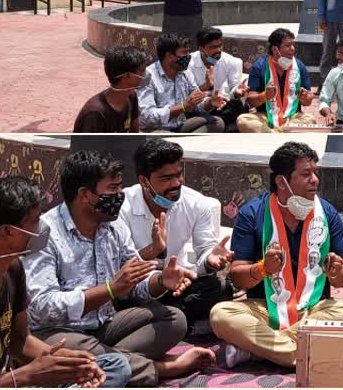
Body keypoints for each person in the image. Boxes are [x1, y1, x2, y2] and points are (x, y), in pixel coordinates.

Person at [22, 151, 216, 387]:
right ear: (85, 195)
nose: (120, 195)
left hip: (104, 326)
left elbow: (136, 284)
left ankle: (103, 362)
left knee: (174, 319)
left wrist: (160, 281)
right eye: (112, 189)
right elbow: (42, 307)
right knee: (74, 348)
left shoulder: (113, 227)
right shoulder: (46, 234)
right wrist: (109, 290)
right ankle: (162, 367)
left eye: (120, 187)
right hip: (58, 332)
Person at [0, 176, 132, 388]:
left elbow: (20, 341)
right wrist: (24, 377)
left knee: (116, 365)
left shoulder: (13, 270)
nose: (42, 227)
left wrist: (63, 361)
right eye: (35, 220)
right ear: (8, 232)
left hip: (11, 382)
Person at [210, 142, 343, 368]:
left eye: (315, 173)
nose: (315, 180)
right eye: (306, 174)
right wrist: (263, 269)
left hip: (313, 308)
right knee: (220, 314)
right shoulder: (252, 213)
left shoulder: (327, 213)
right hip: (265, 308)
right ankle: (302, 350)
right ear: (281, 181)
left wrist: (336, 271)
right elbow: (238, 278)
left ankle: (259, 351)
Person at [117, 139, 234, 333]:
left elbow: (205, 253)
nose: (176, 183)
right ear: (144, 181)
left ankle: (157, 322)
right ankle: (171, 323)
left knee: (220, 288)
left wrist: (211, 260)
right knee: (119, 294)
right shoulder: (122, 207)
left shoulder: (198, 204)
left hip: (176, 285)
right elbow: (120, 266)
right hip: (137, 285)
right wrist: (153, 250)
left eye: (179, 175)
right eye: (166, 179)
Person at [138, 33, 227, 132]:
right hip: (157, 129)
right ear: (169, 56)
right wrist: (184, 106)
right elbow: (147, 117)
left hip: (180, 125)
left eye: (188, 53)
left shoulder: (185, 72)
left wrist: (210, 102)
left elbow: (196, 104)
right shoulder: (148, 77)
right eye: (184, 53)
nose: (188, 57)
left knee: (217, 122)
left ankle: (184, 143)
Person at [237, 28, 317, 133]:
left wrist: (306, 97)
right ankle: (284, 133)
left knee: (309, 119)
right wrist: (264, 96)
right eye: (288, 46)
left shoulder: (299, 66)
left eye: (293, 45)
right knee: (243, 121)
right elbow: (251, 102)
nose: (293, 49)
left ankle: (273, 133)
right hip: (265, 116)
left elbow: (308, 101)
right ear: (275, 50)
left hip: (292, 117)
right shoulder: (259, 66)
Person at [74, 46, 147, 133]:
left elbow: (134, 134)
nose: (146, 74)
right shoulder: (95, 114)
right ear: (127, 76)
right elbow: (90, 146)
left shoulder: (131, 96)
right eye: (142, 70)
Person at [189, 27, 249, 132]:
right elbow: (188, 95)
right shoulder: (189, 64)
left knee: (239, 106)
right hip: (197, 107)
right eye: (213, 47)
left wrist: (236, 92)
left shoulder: (232, 62)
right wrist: (207, 95)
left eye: (220, 46)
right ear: (201, 49)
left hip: (221, 106)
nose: (218, 50)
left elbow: (233, 90)